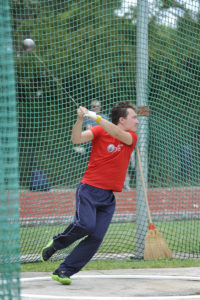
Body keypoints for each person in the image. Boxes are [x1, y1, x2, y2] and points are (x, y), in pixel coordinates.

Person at [41, 101, 139, 285]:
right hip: (89, 189)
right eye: (134, 117)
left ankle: (64, 270)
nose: (137, 121)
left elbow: (117, 133)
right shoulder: (100, 131)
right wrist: (80, 120)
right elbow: (77, 139)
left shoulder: (131, 136)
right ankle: (56, 244)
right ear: (122, 119)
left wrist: (95, 117)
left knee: (96, 237)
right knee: (86, 225)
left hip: (108, 197)